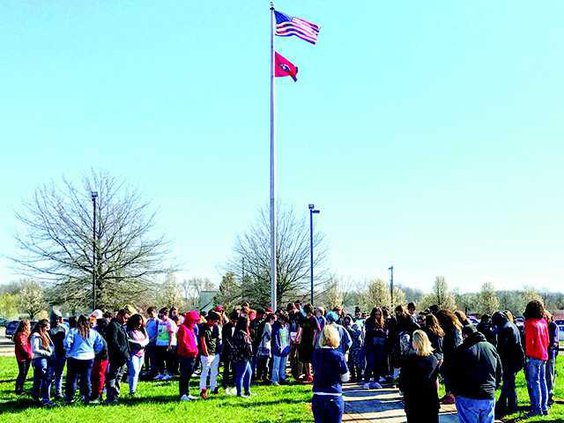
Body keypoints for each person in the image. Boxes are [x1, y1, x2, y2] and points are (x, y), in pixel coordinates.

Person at [446, 325, 502, 423]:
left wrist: (453, 391)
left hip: (467, 395)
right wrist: (494, 386)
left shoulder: (461, 350)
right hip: (488, 394)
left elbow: (452, 373)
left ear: (465, 335)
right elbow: (499, 370)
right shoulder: (490, 347)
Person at [399, 330, 440, 423]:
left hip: (413, 398)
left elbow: (403, 379)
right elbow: (435, 379)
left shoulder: (409, 359)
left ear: (416, 342)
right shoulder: (433, 359)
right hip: (430, 398)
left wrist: (402, 390)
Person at [311, 325, 350, 423]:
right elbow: (345, 378)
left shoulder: (315, 354)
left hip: (318, 394)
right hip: (334, 394)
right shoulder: (338, 356)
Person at [64, 314, 105, 405]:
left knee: (72, 379)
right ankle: (86, 397)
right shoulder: (93, 332)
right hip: (88, 357)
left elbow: (67, 343)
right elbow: (100, 344)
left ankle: (69, 398)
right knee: (86, 378)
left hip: (74, 357)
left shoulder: (73, 331)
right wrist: (94, 352)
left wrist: (68, 352)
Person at [491, 311, 524, 417]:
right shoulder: (512, 325)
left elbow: (502, 348)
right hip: (515, 358)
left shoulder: (504, 329)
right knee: (509, 383)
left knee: (508, 383)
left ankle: (509, 406)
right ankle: (506, 405)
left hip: (508, 360)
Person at [523, 300, 549, 416]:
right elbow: (548, 340)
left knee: (535, 383)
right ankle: (544, 407)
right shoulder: (543, 322)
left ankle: (536, 409)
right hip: (544, 355)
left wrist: (527, 355)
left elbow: (529, 342)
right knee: (543, 382)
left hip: (534, 356)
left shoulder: (529, 323)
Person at [436, 309, 463, 404]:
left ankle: (451, 395)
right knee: (447, 374)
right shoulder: (453, 326)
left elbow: (455, 343)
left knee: (450, 374)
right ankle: (448, 393)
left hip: (453, 354)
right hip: (449, 353)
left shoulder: (453, 328)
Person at [105, 309, 131, 404]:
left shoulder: (121, 326)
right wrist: (121, 352)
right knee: (113, 375)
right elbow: (113, 342)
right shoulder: (113, 325)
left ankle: (116, 394)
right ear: (119, 315)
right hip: (117, 356)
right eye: (125, 318)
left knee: (119, 376)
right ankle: (111, 396)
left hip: (123, 356)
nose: (126, 320)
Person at [30, 319, 55, 406]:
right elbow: (35, 349)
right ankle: (45, 399)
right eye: (47, 326)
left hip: (44, 359)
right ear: (42, 327)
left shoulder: (45, 334)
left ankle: (35, 396)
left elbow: (50, 346)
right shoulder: (36, 335)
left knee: (38, 379)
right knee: (46, 379)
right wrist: (47, 353)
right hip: (40, 359)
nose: (49, 328)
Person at [176, 310, 200, 401]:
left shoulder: (191, 329)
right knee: (184, 375)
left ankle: (187, 393)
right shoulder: (183, 328)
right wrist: (191, 351)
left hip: (192, 355)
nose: (195, 323)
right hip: (186, 355)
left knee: (188, 375)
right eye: (194, 321)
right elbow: (184, 342)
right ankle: (182, 394)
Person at [198, 310, 221, 398]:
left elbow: (217, 339)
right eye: (214, 321)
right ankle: (203, 389)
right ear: (210, 320)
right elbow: (202, 340)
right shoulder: (203, 327)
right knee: (205, 372)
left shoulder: (216, 327)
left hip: (215, 353)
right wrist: (206, 353)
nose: (215, 323)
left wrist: (218, 352)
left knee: (214, 372)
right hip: (206, 354)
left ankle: (213, 387)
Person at [296, 304, 321, 383]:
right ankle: (308, 375)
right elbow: (301, 329)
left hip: (311, 342)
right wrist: (298, 337)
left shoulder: (313, 319)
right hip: (304, 341)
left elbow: (317, 330)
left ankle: (316, 375)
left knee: (313, 360)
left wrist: (314, 342)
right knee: (306, 360)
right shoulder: (303, 319)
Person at [363, 307, 387, 386]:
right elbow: (369, 331)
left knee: (378, 363)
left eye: (379, 314)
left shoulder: (383, 321)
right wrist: (377, 330)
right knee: (370, 363)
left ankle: (376, 381)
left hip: (380, 345)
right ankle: (367, 381)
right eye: (376, 314)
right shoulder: (369, 321)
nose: (377, 316)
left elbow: (384, 333)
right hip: (370, 345)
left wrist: (379, 331)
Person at [231, 315, 254, 397]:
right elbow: (244, 346)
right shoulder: (240, 333)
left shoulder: (242, 333)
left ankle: (247, 391)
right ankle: (239, 393)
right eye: (248, 321)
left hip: (245, 357)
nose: (249, 322)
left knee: (249, 372)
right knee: (240, 374)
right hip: (241, 357)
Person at [127, 314, 149, 396]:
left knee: (138, 372)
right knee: (134, 371)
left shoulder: (143, 330)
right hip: (133, 353)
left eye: (140, 324)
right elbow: (128, 340)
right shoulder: (128, 330)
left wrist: (143, 344)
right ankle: (132, 390)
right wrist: (138, 344)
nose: (139, 326)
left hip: (142, 353)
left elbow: (147, 338)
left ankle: (134, 389)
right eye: (137, 324)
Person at [154, 307, 177, 381]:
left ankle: (169, 373)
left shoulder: (170, 322)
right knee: (159, 360)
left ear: (166, 314)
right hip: (159, 343)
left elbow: (171, 334)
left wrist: (169, 344)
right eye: (159, 316)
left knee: (168, 360)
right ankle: (161, 373)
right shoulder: (160, 322)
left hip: (167, 344)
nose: (160, 317)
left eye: (162, 316)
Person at [49, 310, 67, 399]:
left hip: (61, 354)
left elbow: (66, 342)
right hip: (51, 355)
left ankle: (58, 392)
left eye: (57, 319)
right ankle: (47, 393)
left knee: (59, 374)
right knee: (50, 374)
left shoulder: (63, 328)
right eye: (54, 319)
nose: (56, 321)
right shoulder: (48, 330)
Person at [90, 316, 109, 402]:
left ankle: (98, 393)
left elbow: (103, 346)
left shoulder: (98, 332)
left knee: (99, 376)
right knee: (98, 376)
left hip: (101, 357)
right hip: (101, 356)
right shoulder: (104, 332)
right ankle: (97, 393)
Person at [221, 310, 239, 393]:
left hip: (235, 350)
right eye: (233, 321)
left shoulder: (237, 327)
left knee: (235, 368)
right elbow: (225, 339)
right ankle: (225, 383)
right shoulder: (226, 327)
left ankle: (234, 383)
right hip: (227, 350)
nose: (235, 323)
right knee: (226, 368)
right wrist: (231, 346)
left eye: (236, 321)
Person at [13, 319, 32, 395]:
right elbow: (23, 347)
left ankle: (20, 388)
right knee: (22, 372)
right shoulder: (21, 335)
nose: (30, 326)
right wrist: (29, 355)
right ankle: (18, 389)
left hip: (26, 357)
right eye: (29, 324)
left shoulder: (26, 334)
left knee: (24, 373)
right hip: (22, 357)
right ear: (25, 326)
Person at [271, 311, 290, 385]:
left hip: (285, 347)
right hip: (278, 348)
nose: (282, 322)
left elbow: (288, 337)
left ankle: (282, 378)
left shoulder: (286, 326)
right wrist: (277, 346)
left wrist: (288, 346)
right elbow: (275, 337)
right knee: (276, 365)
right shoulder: (275, 326)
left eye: (284, 320)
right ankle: (274, 380)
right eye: (281, 320)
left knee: (283, 365)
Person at [344, 315, 364, 383]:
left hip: (357, 347)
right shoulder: (345, 328)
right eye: (346, 321)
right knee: (350, 363)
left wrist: (350, 329)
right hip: (350, 348)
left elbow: (357, 334)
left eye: (348, 320)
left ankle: (359, 377)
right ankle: (353, 376)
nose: (347, 322)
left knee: (358, 363)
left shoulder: (356, 325)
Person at [256, 313, 275, 383]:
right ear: (271, 319)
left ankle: (259, 375)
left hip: (261, 345)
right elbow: (270, 335)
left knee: (260, 361)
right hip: (265, 345)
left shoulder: (263, 324)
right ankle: (265, 376)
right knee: (266, 361)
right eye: (274, 320)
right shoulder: (268, 325)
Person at [546, 311, 559, 407]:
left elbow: (555, 341)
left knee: (549, 376)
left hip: (550, 355)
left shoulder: (553, 326)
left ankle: (549, 397)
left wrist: (548, 347)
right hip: (544, 354)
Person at [144, 306, 159, 378]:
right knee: (147, 357)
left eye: (152, 313)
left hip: (154, 343)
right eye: (149, 313)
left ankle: (154, 372)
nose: (151, 315)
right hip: (147, 342)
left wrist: (152, 339)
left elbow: (158, 333)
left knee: (153, 358)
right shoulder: (148, 321)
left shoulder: (157, 321)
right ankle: (147, 371)